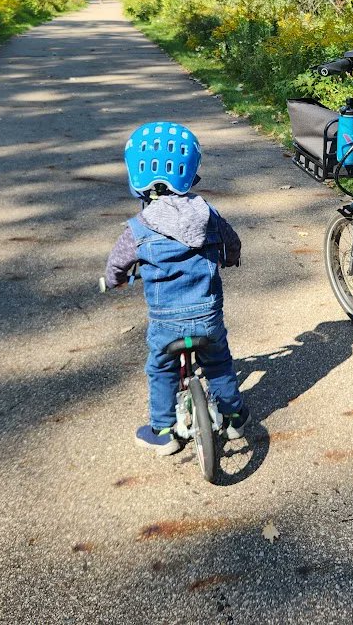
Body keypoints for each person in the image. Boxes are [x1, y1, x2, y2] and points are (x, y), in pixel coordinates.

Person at [104, 121, 247, 455]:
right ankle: (235, 417)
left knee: (160, 367)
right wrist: (229, 258)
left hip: (166, 322)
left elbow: (117, 264)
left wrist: (115, 280)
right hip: (207, 315)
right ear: (191, 174)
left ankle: (164, 430)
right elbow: (231, 242)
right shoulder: (207, 215)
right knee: (219, 363)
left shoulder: (138, 228)